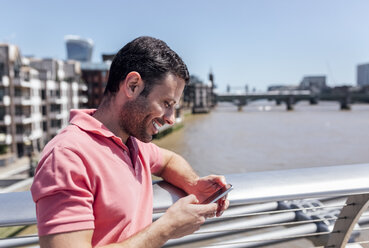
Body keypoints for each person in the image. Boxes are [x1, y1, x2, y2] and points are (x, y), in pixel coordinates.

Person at [31, 36, 229, 248]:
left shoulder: (134, 143)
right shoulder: (67, 156)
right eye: (166, 103)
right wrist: (165, 229)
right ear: (133, 86)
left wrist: (194, 184)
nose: (171, 118)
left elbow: (169, 161)